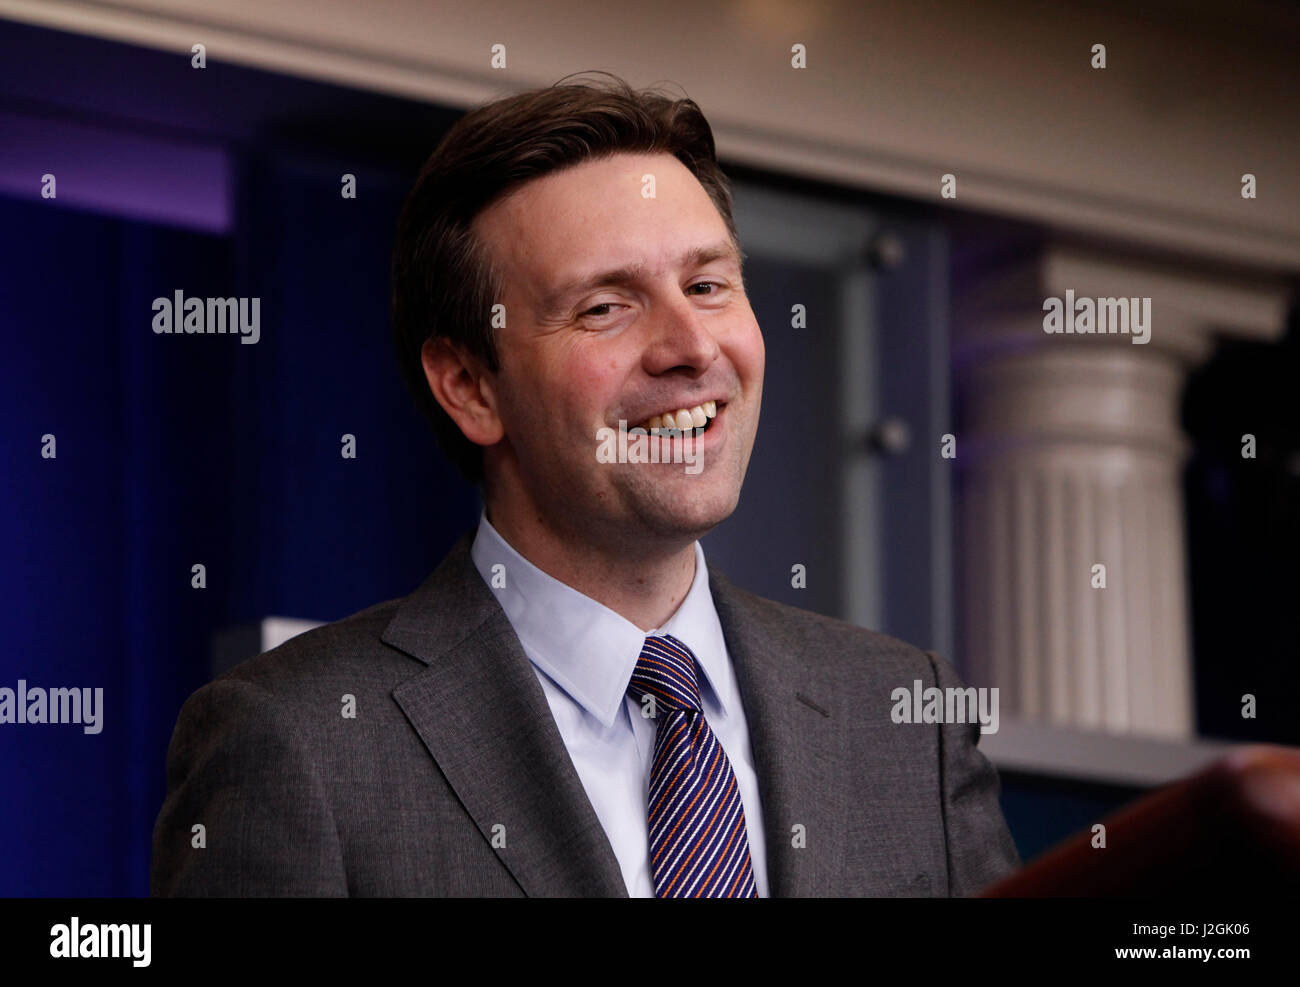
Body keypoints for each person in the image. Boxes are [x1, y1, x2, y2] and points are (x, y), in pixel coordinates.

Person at [151, 72, 1020, 897]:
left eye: (708, 284)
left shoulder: (909, 721)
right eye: (605, 305)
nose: (690, 345)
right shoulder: (298, 742)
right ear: (471, 386)